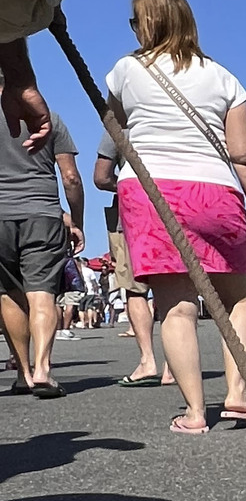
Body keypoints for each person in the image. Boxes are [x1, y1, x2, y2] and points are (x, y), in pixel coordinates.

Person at [103, 0, 246, 434]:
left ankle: (196, 412)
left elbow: (114, 128)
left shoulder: (124, 70)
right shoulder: (224, 78)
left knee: (175, 305)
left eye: (136, 21)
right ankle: (237, 394)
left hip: (150, 189)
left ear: (148, 23)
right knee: (237, 297)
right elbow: (245, 157)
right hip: (214, 190)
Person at [0, 88, 83, 397]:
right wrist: (76, 220)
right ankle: (43, 369)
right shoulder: (49, 120)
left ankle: (23, 374)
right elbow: (71, 177)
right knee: (41, 294)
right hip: (42, 213)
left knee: (9, 295)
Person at [94, 143, 170, 384]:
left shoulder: (116, 123)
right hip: (173, 206)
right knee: (173, 287)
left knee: (135, 289)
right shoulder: (169, 119)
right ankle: (175, 365)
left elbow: (101, 177)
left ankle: (148, 360)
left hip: (131, 212)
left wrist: (127, 184)